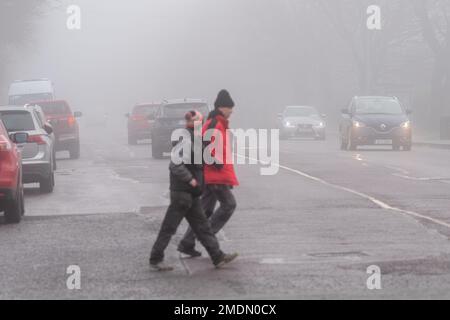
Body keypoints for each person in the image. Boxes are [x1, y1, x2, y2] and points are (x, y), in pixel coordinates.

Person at [149, 110, 238, 271]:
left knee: (203, 227)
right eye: (199, 121)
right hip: (182, 194)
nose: (202, 123)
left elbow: (202, 158)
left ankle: (217, 257)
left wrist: (217, 168)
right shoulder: (187, 139)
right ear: (193, 123)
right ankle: (156, 258)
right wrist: (191, 180)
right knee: (169, 227)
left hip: (192, 194)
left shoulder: (195, 139)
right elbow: (175, 165)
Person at [178, 90, 239, 257]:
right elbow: (203, 145)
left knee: (204, 212)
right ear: (222, 107)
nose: (232, 111)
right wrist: (216, 163)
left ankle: (187, 242)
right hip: (215, 175)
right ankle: (207, 237)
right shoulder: (214, 123)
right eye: (229, 108)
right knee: (229, 205)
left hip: (212, 174)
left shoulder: (218, 122)